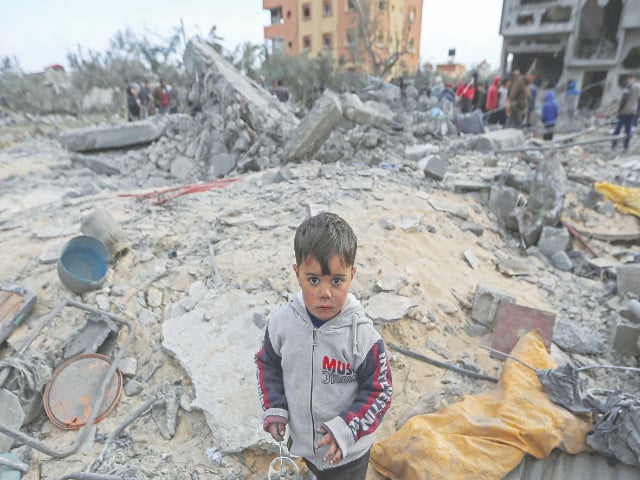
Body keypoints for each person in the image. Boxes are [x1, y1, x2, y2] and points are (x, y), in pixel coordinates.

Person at [255, 212, 393, 480]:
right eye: (314, 280)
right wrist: (275, 408)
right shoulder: (282, 324)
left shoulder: (362, 336)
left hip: (348, 455)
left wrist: (346, 429)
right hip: (305, 447)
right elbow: (267, 364)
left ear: (352, 275)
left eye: (337, 280)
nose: (325, 293)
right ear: (297, 274)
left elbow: (380, 391)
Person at [612, 73, 640, 152]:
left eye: (627, 79)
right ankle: (626, 147)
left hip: (624, 111)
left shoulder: (628, 86)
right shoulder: (638, 87)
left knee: (618, 128)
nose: (627, 80)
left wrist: (619, 110)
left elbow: (623, 99)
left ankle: (613, 145)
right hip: (633, 112)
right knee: (628, 130)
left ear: (631, 78)